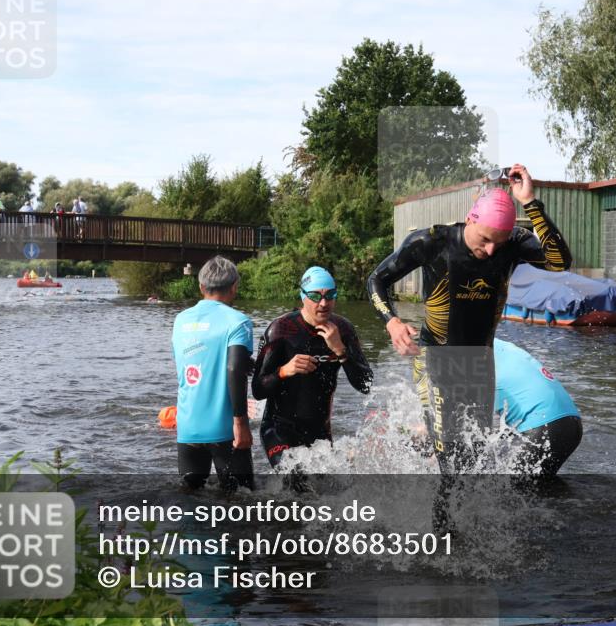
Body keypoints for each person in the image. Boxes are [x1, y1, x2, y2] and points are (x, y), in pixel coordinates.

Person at [366, 163, 572, 473]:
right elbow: (376, 280)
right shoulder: (433, 241)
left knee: (473, 456)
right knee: (451, 461)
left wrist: (530, 203)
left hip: (480, 360)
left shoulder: (512, 243)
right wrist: (392, 321)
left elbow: (560, 262)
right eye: (485, 240)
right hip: (435, 357)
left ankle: (461, 516)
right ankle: (439, 518)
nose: (490, 250)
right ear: (470, 219)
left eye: (498, 244)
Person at [252, 266, 373, 470]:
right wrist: (284, 371)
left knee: (324, 493)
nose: (324, 303)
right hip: (279, 430)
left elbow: (365, 385)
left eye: (330, 295)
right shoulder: (281, 330)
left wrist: (340, 350)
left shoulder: (343, 330)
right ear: (303, 297)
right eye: (316, 296)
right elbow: (257, 390)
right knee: (296, 484)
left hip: (320, 434)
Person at [171, 256, 255, 491]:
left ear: (201, 287)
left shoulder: (180, 320)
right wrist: (240, 423)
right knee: (242, 502)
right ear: (235, 286)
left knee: (190, 498)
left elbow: (191, 362)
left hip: (187, 427)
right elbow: (234, 368)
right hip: (225, 428)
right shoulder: (239, 322)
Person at [493, 339, 582, 477]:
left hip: (542, 428)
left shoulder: (465, 355)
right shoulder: (499, 345)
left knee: (494, 487)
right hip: (571, 423)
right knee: (539, 489)